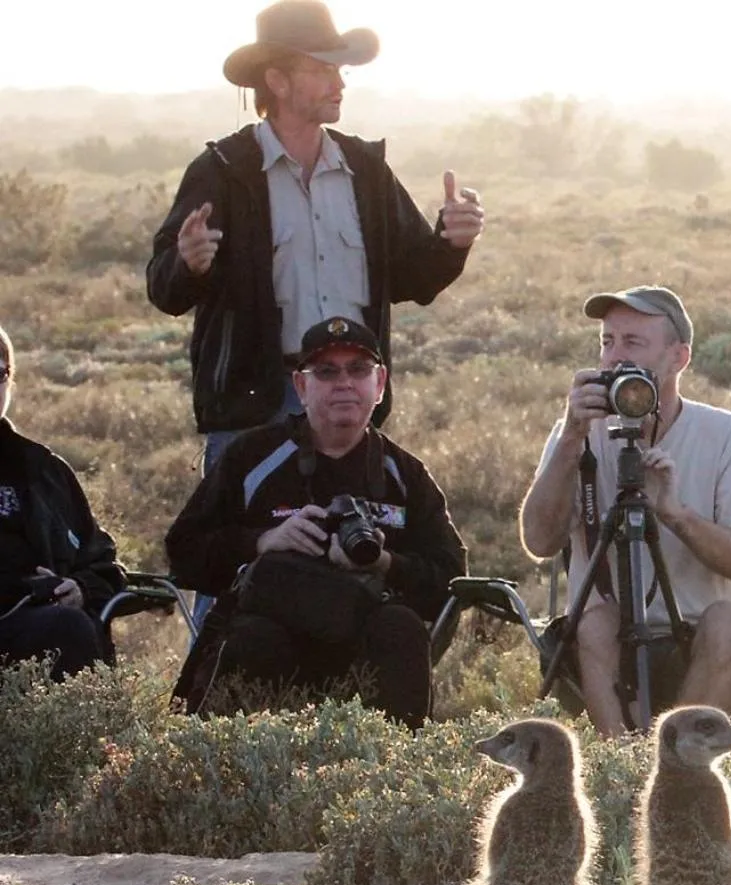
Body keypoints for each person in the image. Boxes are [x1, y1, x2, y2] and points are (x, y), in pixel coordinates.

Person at [146, 0, 485, 477]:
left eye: (341, 69)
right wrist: (189, 264)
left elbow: (413, 278)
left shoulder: (366, 170)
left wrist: (452, 241)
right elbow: (164, 289)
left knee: (348, 541)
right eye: (324, 69)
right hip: (255, 404)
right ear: (278, 81)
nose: (340, 83)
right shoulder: (222, 171)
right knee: (245, 546)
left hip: (347, 394)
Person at [165, 317, 466, 728]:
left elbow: (452, 581)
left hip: (365, 648)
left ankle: (400, 775)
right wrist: (263, 542)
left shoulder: (406, 475)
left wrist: (382, 563)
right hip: (270, 642)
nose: (344, 382)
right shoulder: (251, 457)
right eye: (326, 371)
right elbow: (182, 552)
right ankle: (226, 772)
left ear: (379, 385)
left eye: (358, 370)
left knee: (400, 626)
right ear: (301, 386)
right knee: (254, 636)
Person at [518, 286, 731, 737]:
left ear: (679, 358)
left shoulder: (729, 435)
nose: (615, 358)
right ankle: (620, 770)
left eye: (633, 343)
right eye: (607, 342)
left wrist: (677, 516)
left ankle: (682, 765)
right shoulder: (579, 433)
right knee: (595, 617)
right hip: (604, 641)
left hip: (701, 637)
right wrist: (572, 439)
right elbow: (539, 541)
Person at [0, 324, 124, 680]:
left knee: (67, 626)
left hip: (28, 623)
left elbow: (105, 565)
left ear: (11, 382)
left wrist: (81, 589)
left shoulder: (44, 471)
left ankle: (84, 735)